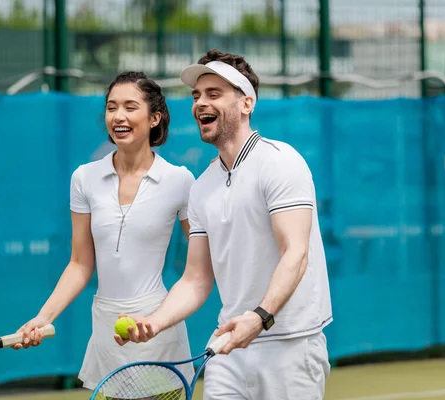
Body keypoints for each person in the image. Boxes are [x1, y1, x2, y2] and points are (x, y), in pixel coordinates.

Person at [115, 49, 333, 400]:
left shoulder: (281, 164)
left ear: (247, 103)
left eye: (214, 94)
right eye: (197, 96)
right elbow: (197, 278)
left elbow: (296, 253)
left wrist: (260, 317)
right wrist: (152, 323)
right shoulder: (202, 188)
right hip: (228, 346)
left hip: (291, 345)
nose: (200, 103)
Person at [12, 71, 196, 392]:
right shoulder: (84, 178)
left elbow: (201, 264)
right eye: (111, 108)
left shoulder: (180, 180)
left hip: (157, 326)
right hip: (105, 328)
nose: (118, 116)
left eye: (130, 107)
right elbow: (81, 263)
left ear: (154, 118)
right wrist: (44, 317)